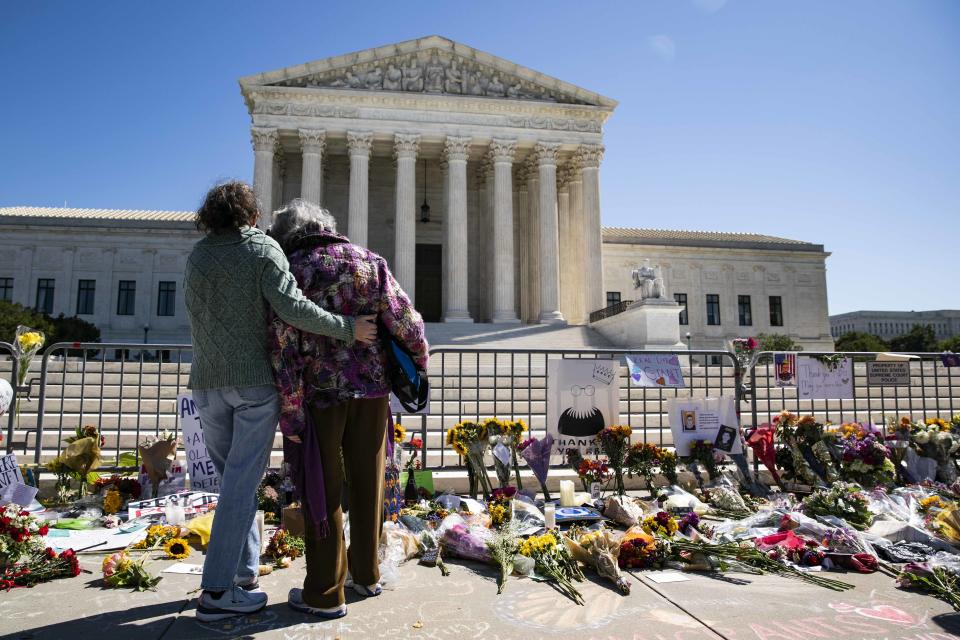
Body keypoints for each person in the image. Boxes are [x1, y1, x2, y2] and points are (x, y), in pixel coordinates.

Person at [183, 182, 376, 622]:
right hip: (252, 384)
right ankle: (215, 592)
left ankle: (244, 575)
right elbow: (292, 309)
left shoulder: (197, 255)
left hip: (207, 383)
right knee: (239, 485)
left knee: (236, 483)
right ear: (251, 214)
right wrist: (347, 328)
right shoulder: (261, 248)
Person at [268, 199, 428, 619]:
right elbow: (408, 324)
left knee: (322, 490)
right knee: (368, 483)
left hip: (318, 396)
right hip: (371, 393)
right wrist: (417, 364)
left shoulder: (291, 270)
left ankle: (325, 593)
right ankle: (367, 574)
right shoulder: (367, 262)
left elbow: (280, 346)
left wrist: (290, 411)